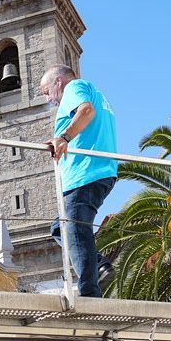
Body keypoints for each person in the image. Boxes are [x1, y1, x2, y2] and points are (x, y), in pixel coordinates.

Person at [41, 64, 118, 298]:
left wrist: (64, 138)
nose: (48, 99)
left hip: (85, 172)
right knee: (60, 227)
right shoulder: (98, 95)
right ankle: (99, 265)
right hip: (100, 171)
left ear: (58, 82)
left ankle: (89, 293)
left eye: (47, 92)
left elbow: (86, 111)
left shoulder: (74, 87)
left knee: (74, 227)